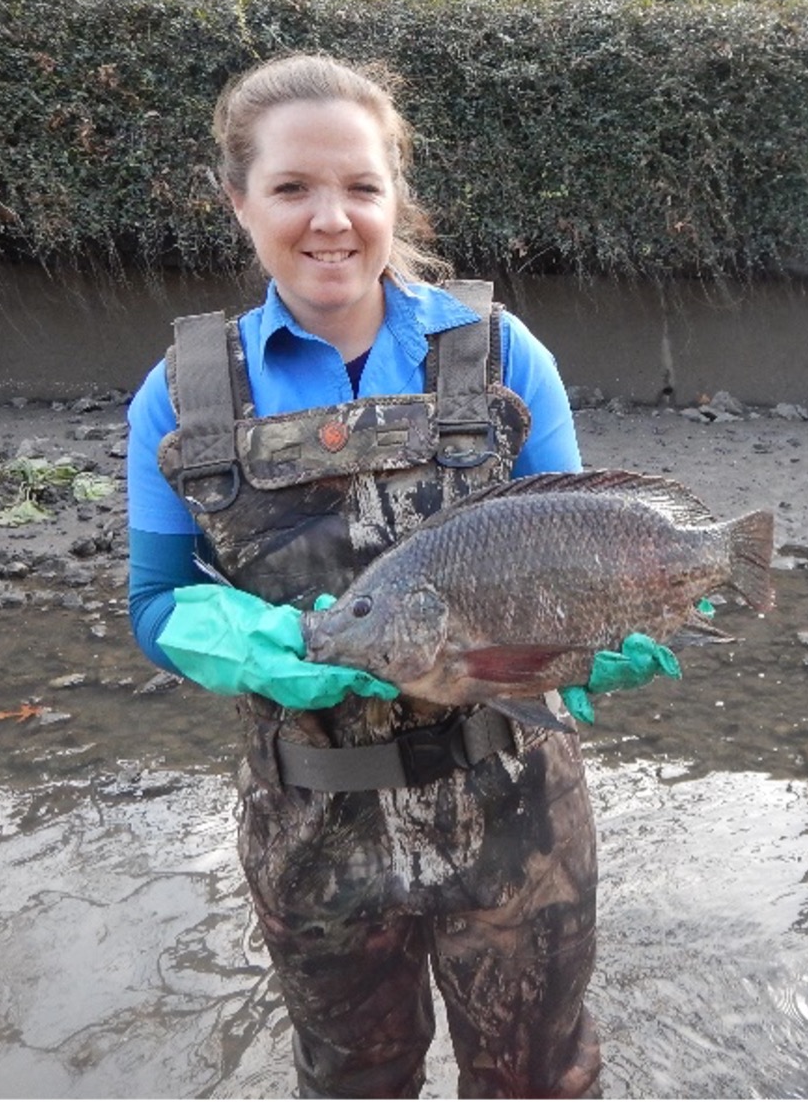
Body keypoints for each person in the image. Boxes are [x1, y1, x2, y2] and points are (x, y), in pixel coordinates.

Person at [124, 53, 601, 1098]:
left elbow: (573, 540)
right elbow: (154, 601)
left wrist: (606, 626)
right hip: (311, 827)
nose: (330, 219)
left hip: (513, 799)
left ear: (396, 200)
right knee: (352, 1079)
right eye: (293, 187)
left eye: (361, 187)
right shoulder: (183, 394)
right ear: (238, 198)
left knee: (538, 1075)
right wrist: (245, 643)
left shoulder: (499, 354)